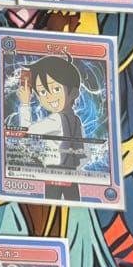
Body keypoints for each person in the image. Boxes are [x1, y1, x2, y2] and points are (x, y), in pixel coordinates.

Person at [15, 53, 86, 200]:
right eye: (42, 92)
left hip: (54, 170)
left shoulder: (56, 119)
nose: (49, 96)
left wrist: (25, 103)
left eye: (56, 89)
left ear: (73, 92)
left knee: (51, 203)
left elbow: (26, 132)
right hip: (71, 170)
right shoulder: (76, 119)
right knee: (73, 200)